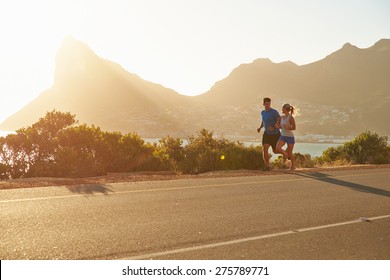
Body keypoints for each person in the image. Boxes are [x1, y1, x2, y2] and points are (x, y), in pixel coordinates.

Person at [257, 97, 281, 170]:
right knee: (265, 148)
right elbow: (263, 121)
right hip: (267, 134)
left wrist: (274, 127)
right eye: (266, 104)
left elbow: (279, 121)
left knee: (275, 151)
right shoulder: (263, 112)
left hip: (275, 134)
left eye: (269, 104)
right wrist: (260, 127)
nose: (268, 105)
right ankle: (267, 166)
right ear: (263, 104)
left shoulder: (274, 112)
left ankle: (286, 153)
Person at [276, 103, 296, 170]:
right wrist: (278, 127)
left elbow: (294, 127)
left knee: (290, 153)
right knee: (278, 148)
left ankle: (293, 165)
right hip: (283, 136)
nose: (282, 109)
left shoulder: (290, 118)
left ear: (286, 109)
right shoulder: (282, 117)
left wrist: (288, 127)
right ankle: (285, 154)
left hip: (290, 137)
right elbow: (281, 127)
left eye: (283, 108)